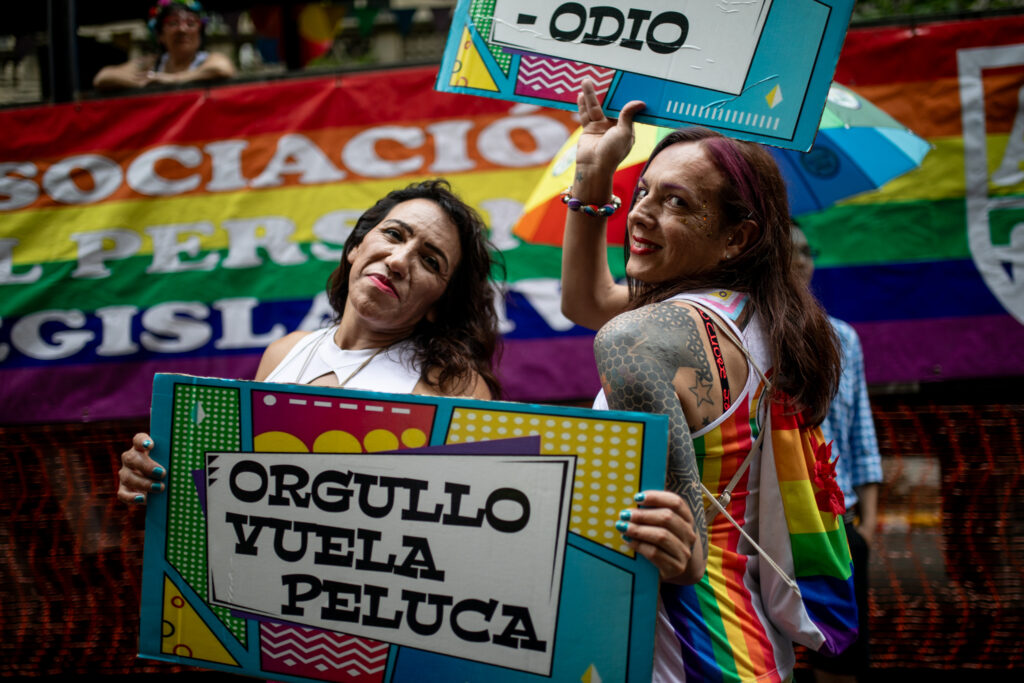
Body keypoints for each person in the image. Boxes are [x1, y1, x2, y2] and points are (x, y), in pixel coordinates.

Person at [561, 80, 842, 681]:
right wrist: (592, 169)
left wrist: (681, 549)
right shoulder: (757, 316)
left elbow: (677, 551)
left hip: (684, 654)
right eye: (642, 192)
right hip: (750, 645)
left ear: (737, 237)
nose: (638, 212)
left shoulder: (650, 334)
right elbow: (588, 301)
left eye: (677, 202)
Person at [117, 179, 501, 504]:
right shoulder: (283, 353)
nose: (399, 260)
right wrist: (155, 478)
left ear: (439, 304)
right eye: (393, 234)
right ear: (355, 247)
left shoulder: (454, 387)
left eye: (430, 261)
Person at [792, 223, 883, 683]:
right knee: (765, 653)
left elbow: (860, 432)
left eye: (808, 251)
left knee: (840, 658)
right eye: (790, 251)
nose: (801, 260)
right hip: (773, 526)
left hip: (838, 524)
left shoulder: (843, 338)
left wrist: (866, 524)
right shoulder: (745, 335)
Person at [93, 0, 235, 91]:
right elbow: (103, 77)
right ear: (160, 35)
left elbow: (222, 68)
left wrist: (170, 79)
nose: (182, 29)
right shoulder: (152, 63)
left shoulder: (207, 60)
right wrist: (145, 82)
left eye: (191, 24)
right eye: (173, 23)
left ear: (200, 33)